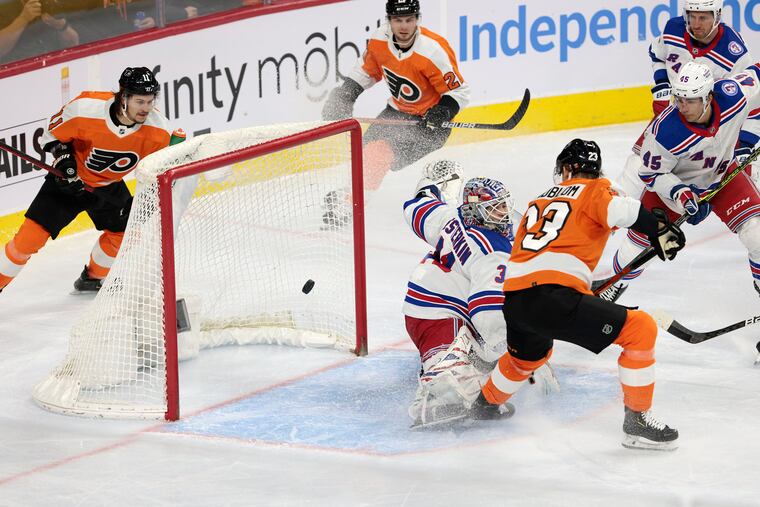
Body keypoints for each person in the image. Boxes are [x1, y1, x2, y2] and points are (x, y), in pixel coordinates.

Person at [467, 139, 686, 450]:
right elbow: (625, 211)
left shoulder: (538, 201)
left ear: (566, 168)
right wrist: (659, 229)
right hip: (554, 297)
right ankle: (637, 421)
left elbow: (547, 252)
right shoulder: (596, 189)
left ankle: (486, 404)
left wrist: (577, 285)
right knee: (640, 329)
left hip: (515, 299)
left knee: (527, 356)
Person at [401, 160, 558, 427]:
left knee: (486, 357)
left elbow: (416, 208)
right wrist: (519, 351)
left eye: (504, 205)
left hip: (432, 303)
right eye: (495, 209)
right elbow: (488, 314)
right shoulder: (491, 253)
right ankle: (431, 399)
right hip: (439, 313)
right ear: (476, 211)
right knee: (453, 381)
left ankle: (450, 361)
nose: (504, 213)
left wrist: (429, 184)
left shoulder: (452, 215)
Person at [0, 67, 177, 294]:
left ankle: (93, 277)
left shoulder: (158, 131)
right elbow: (52, 138)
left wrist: (142, 200)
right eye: (140, 102)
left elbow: (161, 172)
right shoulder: (85, 108)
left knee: (124, 234)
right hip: (67, 185)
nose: (146, 109)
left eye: (150, 101)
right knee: (27, 240)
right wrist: (65, 162)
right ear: (123, 97)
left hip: (108, 188)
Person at [598, 61, 760, 302]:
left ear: (708, 97)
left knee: (756, 235)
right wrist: (682, 195)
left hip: (723, 176)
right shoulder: (666, 130)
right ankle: (613, 286)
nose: (682, 106)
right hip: (672, 189)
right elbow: (650, 174)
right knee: (638, 248)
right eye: (679, 98)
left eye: (690, 100)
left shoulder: (732, 95)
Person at [321, 0, 470, 226]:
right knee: (363, 154)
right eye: (398, 20)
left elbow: (458, 91)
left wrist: (443, 111)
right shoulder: (379, 40)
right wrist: (346, 94)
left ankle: (350, 205)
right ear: (389, 20)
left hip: (428, 126)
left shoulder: (433, 49)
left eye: (409, 20)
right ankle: (351, 194)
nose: (404, 26)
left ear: (417, 19)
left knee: (379, 155)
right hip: (396, 113)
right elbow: (366, 71)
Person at [616, 0, 755, 198]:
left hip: (720, 126)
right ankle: (611, 212)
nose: (696, 24)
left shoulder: (735, 53)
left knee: (744, 172)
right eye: (691, 16)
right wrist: (662, 82)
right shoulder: (673, 28)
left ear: (717, 16)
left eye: (703, 17)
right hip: (678, 112)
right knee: (640, 162)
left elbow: (751, 100)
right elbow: (657, 54)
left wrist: (747, 141)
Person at [0, 0, 79, 63]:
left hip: (54, 66)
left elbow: (74, 44)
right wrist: (23, 18)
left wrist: (61, 26)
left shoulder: (50, 3)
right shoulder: (5, 6)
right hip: (20, 72)